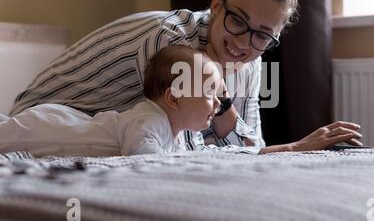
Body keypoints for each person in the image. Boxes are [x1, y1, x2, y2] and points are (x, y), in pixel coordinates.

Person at [8, 0, 362, 152]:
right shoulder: (171, 42)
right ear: (217, 5)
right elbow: (188, 148)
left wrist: (289, 148)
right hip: (43, 124)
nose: (242, 43)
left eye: (262, 35)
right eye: (237, 21)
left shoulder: (253, 63)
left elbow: (246, 148)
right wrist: (291, 148)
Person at [0, 46, 223, 157]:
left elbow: (199, 156)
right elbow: (143, 157)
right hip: (49, 129)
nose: (218, 102)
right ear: (173, 97)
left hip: (64, 123)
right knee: (8, 133)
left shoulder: (177, 133)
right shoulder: (150, 119)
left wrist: (246, 153)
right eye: (209, 93)